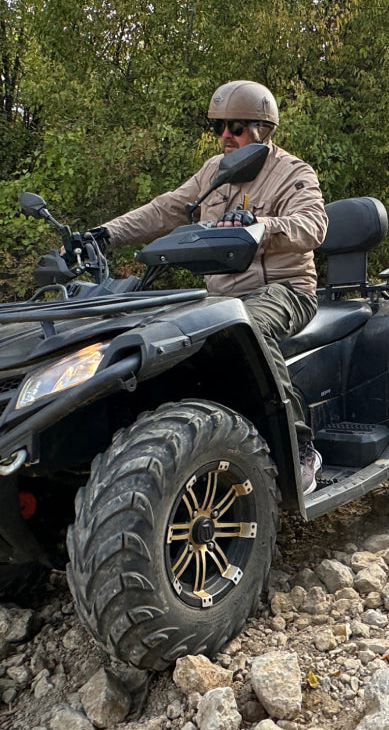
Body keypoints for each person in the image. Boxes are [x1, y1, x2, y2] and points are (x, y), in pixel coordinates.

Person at [93, 80, 329, 493]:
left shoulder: (293, 172)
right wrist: (101, 235)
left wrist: (264, 227)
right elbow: (165, 210)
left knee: (248, 326)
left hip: (285, 290)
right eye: (220, 127)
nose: (225, 136)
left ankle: (300, 446)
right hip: (220, 299)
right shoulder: (213, 173)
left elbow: (313, 225)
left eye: (235, 127)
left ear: (262, 129)